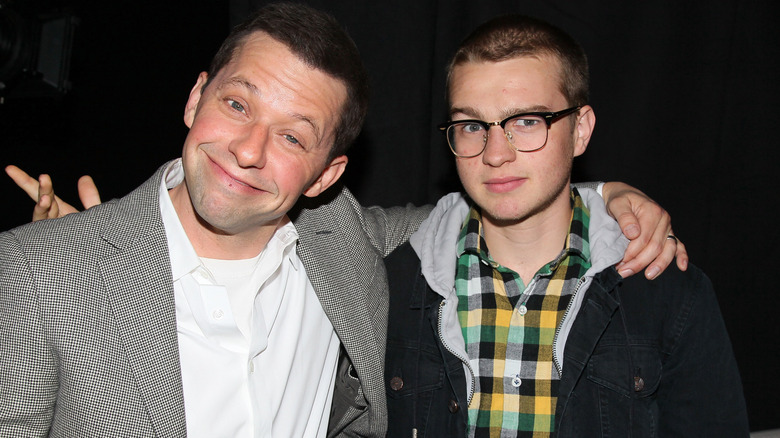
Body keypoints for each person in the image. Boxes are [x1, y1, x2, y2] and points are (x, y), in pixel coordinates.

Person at [1, 4, 686, 438]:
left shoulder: (348, 242)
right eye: (237, 106)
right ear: (194, 98)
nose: (247, 151)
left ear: (328, 174)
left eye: (294, 137)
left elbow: (502, 200)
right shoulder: (38, 270)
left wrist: (606, 194)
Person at [383, 14, 748, 438]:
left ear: (580, 131)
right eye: (472, 126)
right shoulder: (394, 286)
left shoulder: (669, 293)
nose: (496, 153)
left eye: (526, 121)